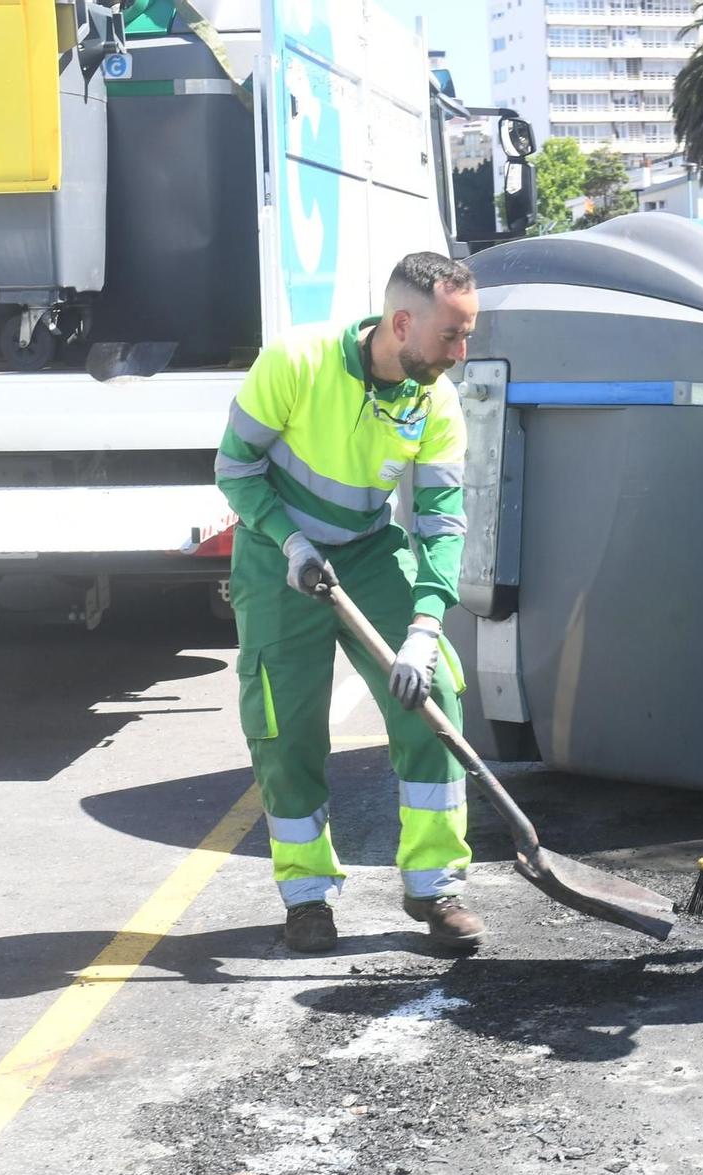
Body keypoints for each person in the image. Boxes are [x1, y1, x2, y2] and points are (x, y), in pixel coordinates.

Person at [214, 253, 482, 954]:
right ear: (401, 323)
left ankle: (434, 884)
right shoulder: (296, 363)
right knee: (285, 727)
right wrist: (291, 542)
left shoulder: (436, 400)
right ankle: (306, 896)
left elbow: (442, 520)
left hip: (367, 551)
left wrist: (426, 623)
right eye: (452, 336)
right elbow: (235, 467)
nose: (461, 354)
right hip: (280, 558)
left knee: (436, 695)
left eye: (466, 337)